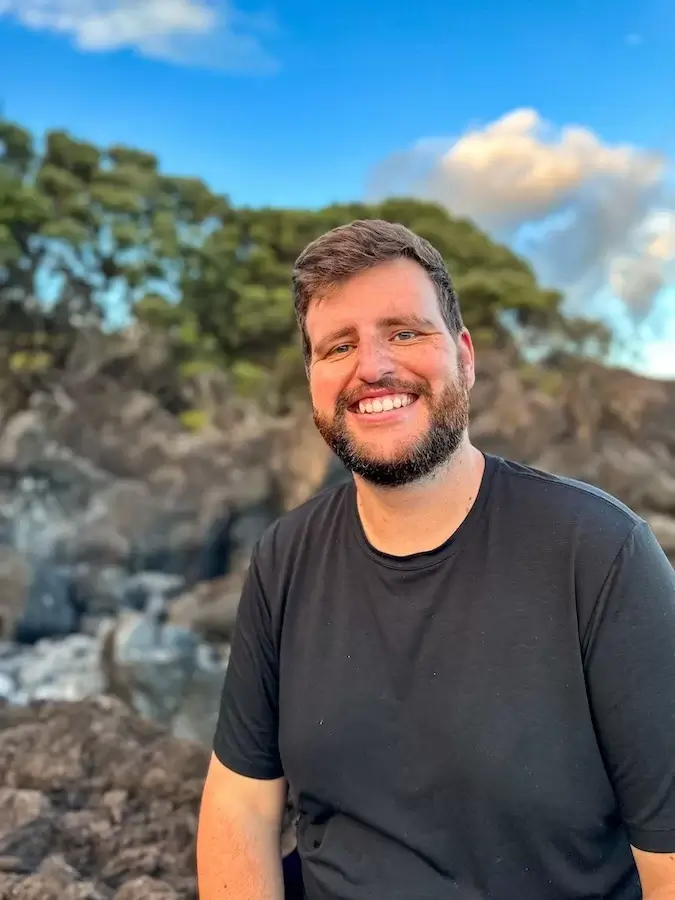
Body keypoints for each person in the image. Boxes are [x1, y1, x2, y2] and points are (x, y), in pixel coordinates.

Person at [196, 219, 675, 900]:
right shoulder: (285, 557)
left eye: (404, 332)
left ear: (464, 357)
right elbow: (240, 803)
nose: (373, 367)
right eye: (338, 346)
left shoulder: (598, 555)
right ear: (312, 383)